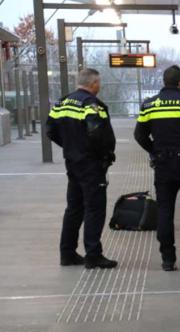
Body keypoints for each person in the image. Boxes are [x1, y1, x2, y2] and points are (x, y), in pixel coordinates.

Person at [134, 65, 180, 271]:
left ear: (163, 82)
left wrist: (154, 151)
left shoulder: (149, 105)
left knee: (164, 211)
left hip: (163, 165)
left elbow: (139, 135)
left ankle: (168, 259)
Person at [46, 68, 118, 269]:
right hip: (91, 164)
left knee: (74, 208)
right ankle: (93, 255)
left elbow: (50, 130)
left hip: (73, 162)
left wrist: (70, 147)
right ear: (93, 83)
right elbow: (96, 132)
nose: (99, 86)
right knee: (94, 209)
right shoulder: (91, 104)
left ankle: (67, 253)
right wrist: (103, 155)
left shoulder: (62, 102)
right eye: (99, 83)